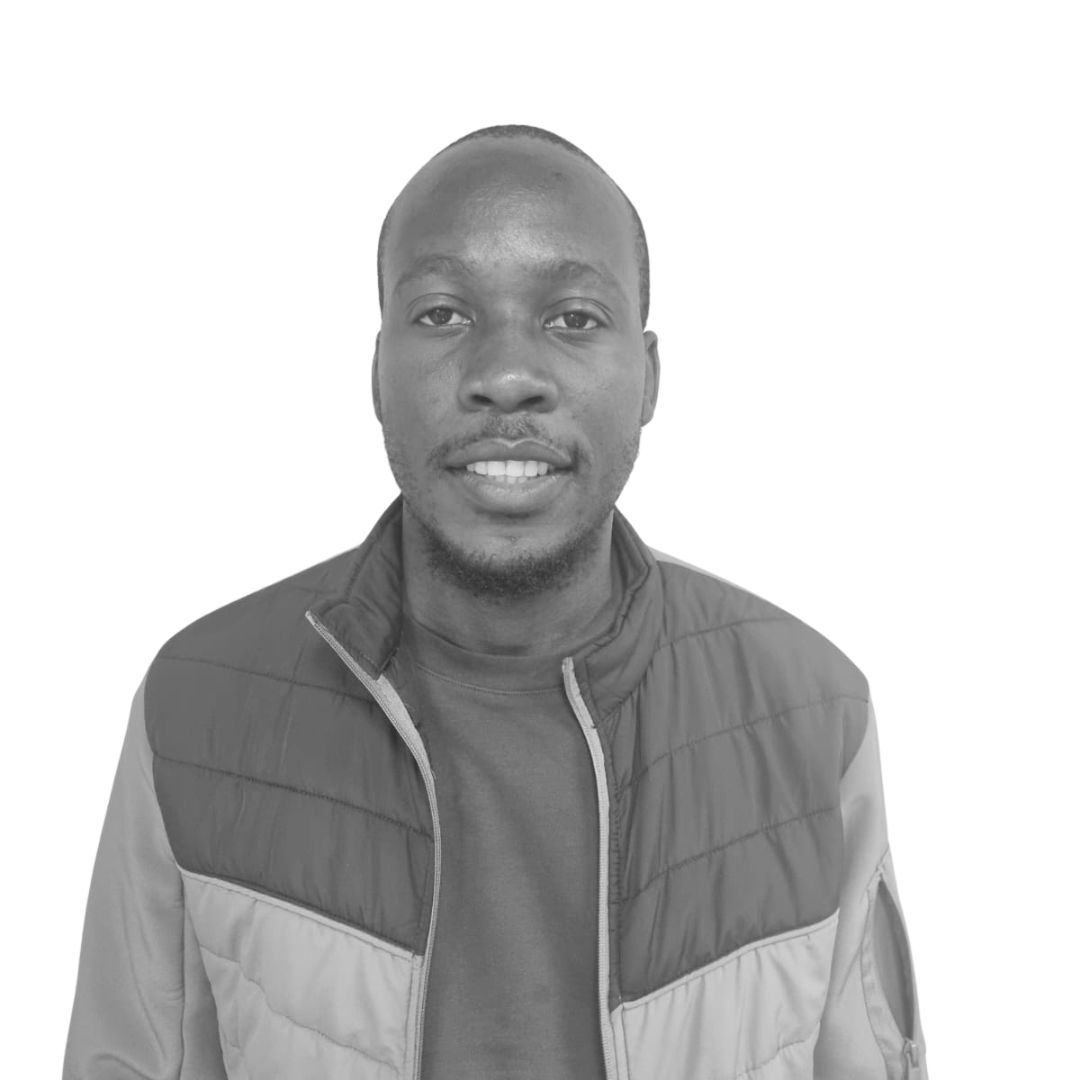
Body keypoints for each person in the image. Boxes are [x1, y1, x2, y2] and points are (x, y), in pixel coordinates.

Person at [63, 124, 929, 1080]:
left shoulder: (812, 713)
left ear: (649, 378)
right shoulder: (198, 706)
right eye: (442, 314)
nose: (507, 377)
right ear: (377, 374)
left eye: (573, 318)